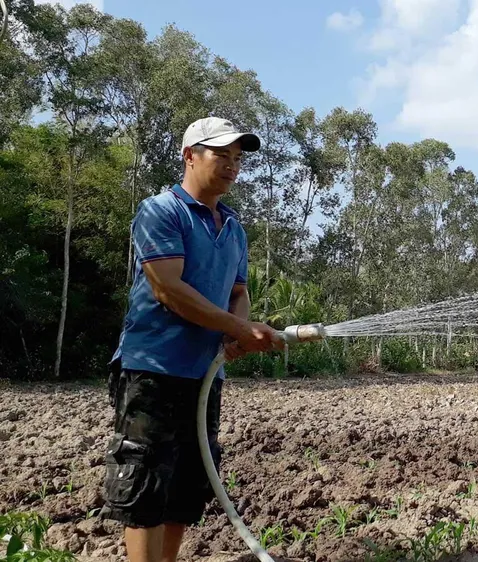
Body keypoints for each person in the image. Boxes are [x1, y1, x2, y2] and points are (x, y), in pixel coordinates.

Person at [101, 117, 286, 562]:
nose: (231, 166)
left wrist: (234, 335)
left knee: (186, 486)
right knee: (145, 484)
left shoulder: (234, 229)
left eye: (237, 158)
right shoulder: (161, 211)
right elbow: (168, 287)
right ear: (190, 156)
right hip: (153, 369)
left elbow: (238, 293)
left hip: (203, 375)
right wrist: (238, 329)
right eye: (221, 155)